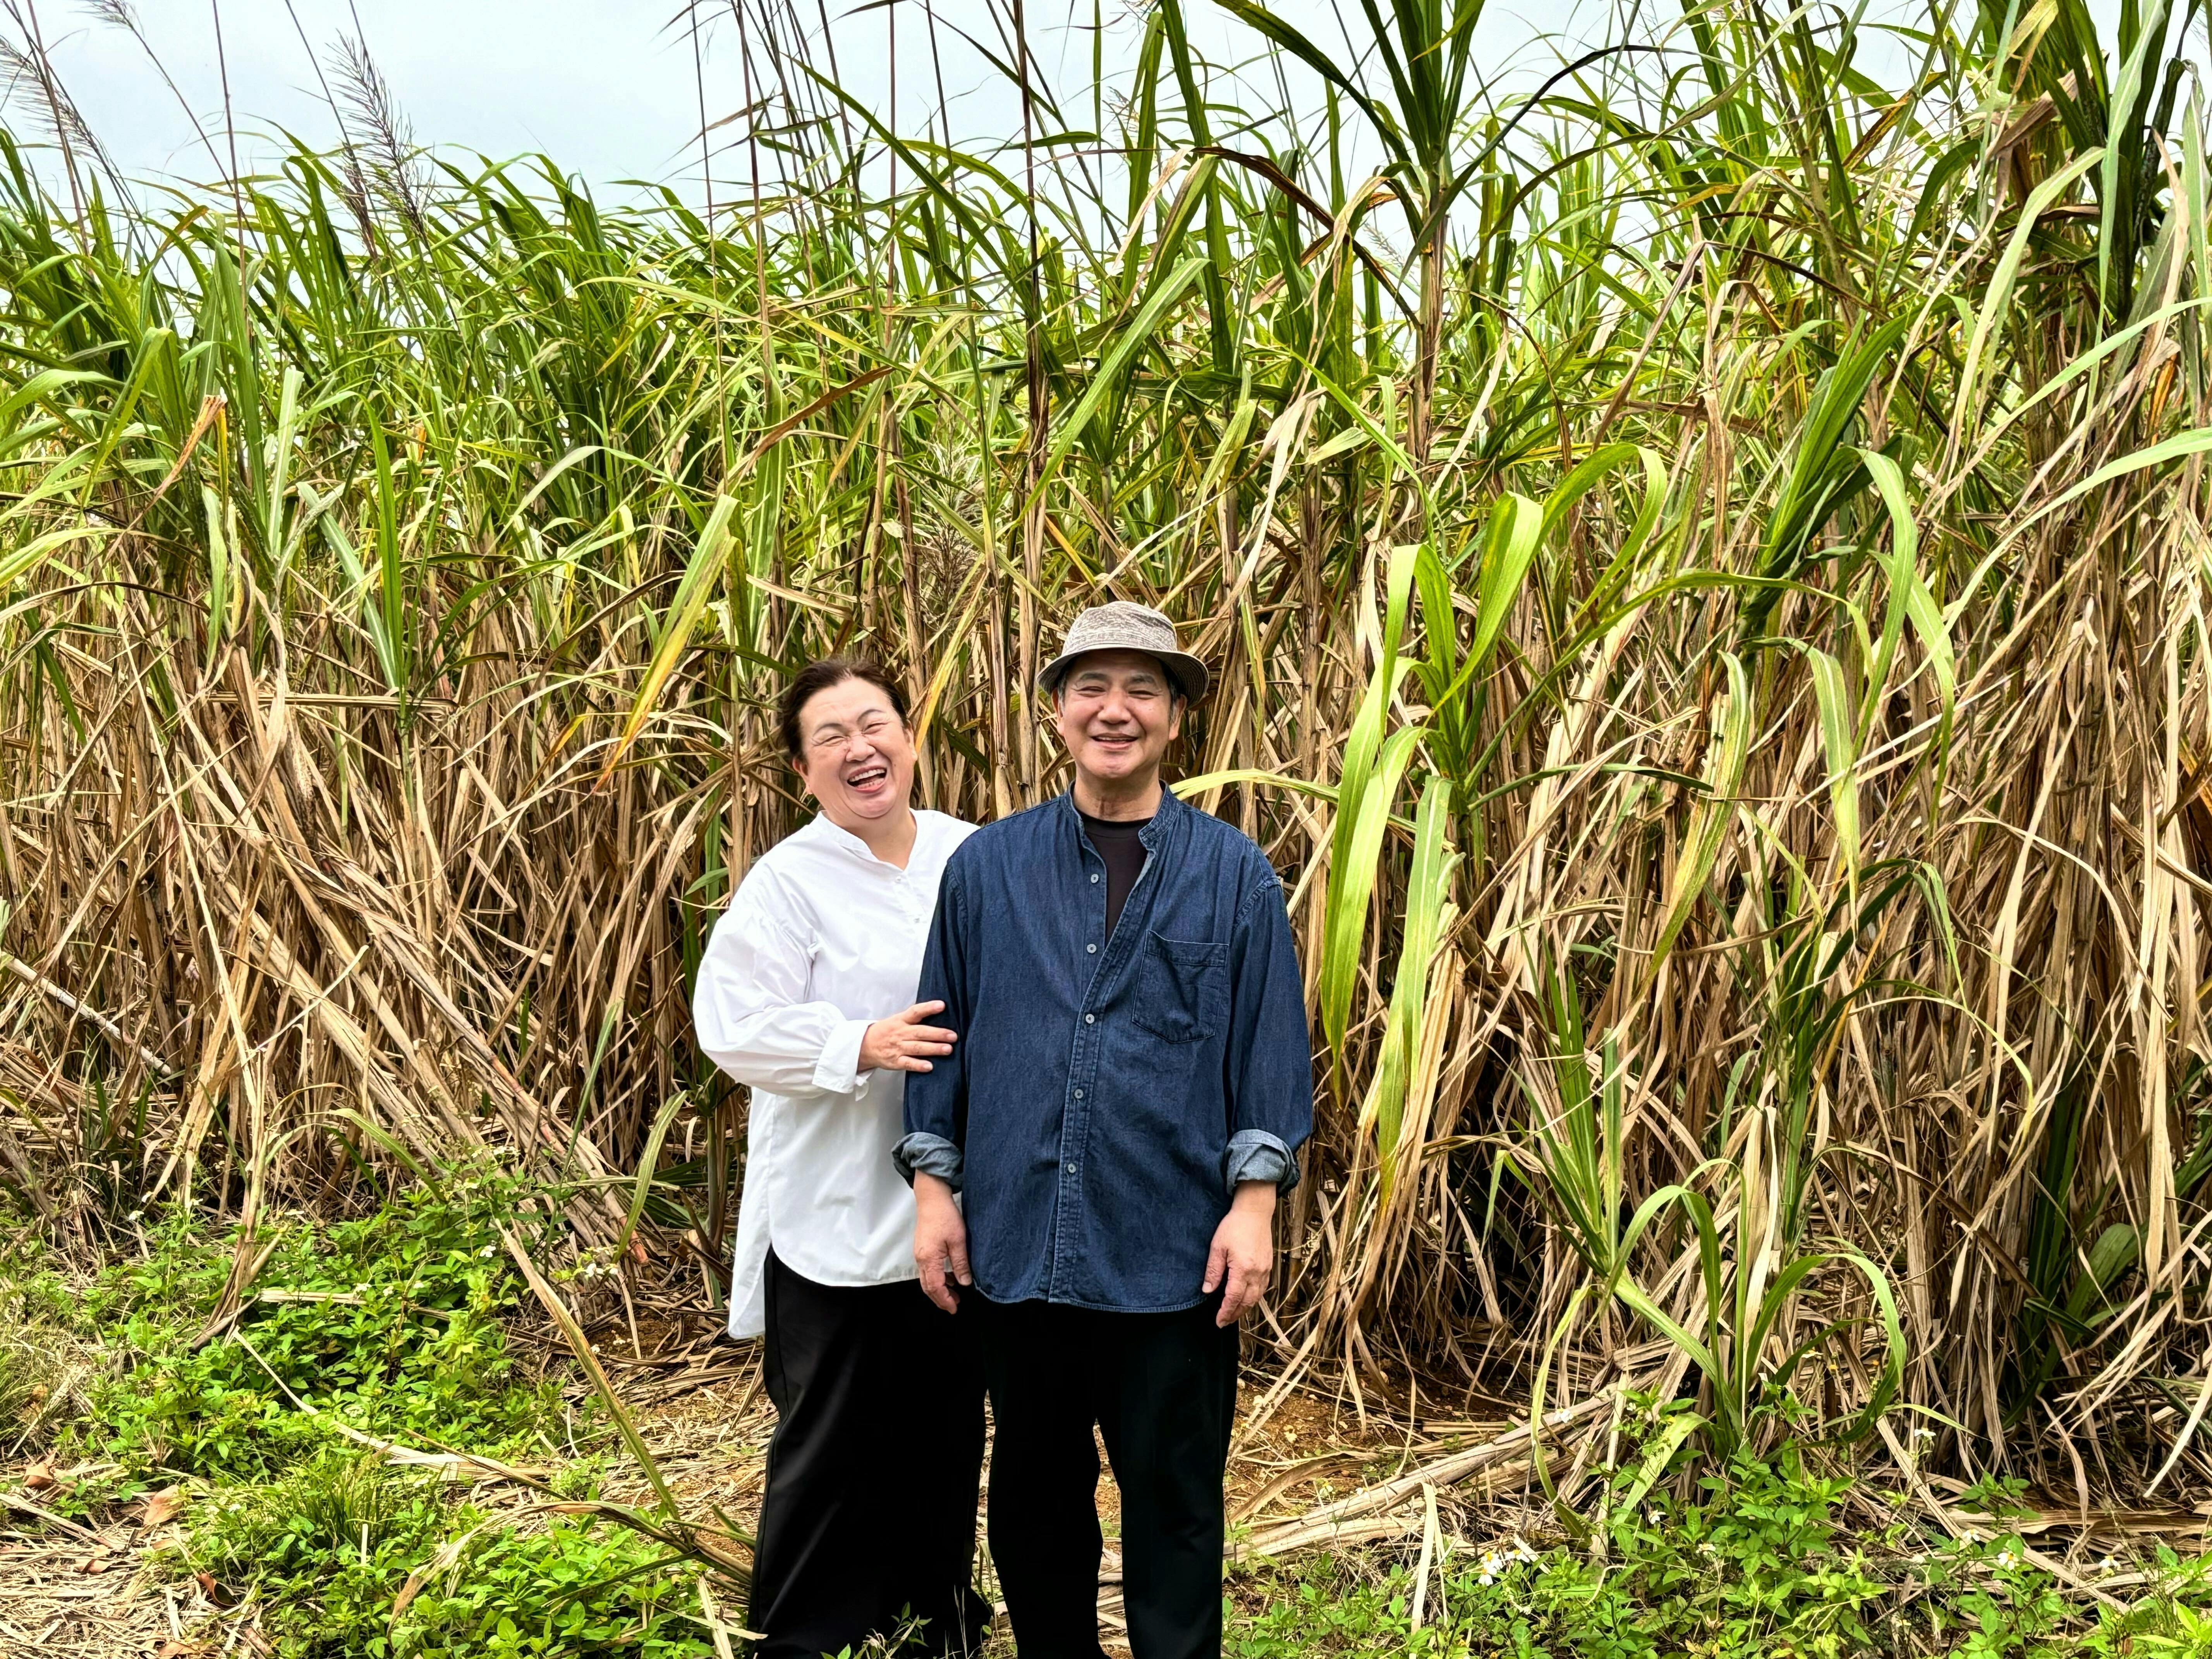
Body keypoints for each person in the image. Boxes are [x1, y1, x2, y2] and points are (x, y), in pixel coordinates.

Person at [896, 601, 1314, 1659]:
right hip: (1021, 1245)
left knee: (1177, 1505)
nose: (1114, 710)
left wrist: (1255, 1206)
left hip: (1173, 1253)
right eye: (1091, 686)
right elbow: (943, 1037)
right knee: (1035, 1504)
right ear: (1057, 711)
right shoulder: (987, 870)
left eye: (1141, 688)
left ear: (1175, 715)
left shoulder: (1234, 874)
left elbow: (1267, 1048)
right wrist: (936, 1188)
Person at [692, 656, 990, 1659]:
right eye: (831, 737)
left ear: (909, 737)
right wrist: (859, 1042)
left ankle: (936, 1620)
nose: (860, 749)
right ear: (802, 770)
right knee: (828, 1441)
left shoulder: (970, 854)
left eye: (875, 724)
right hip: (833, 1210)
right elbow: (731, 1025)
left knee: (945, 1431)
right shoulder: (788, 883)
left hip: (958, 1205)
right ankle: (803, 1636)